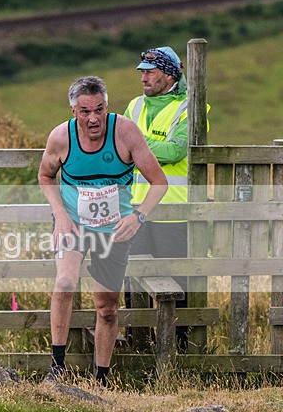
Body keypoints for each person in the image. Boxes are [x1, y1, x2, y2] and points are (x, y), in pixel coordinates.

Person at [37, 76, 167, 386]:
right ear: (73, 111)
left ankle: (102, 378)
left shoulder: (125, 132)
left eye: (99, 110)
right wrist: (60, 215)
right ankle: (57, 366)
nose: (93, 118)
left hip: (113, 230)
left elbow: (159, 183)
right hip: (74, 223)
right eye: (85, 111)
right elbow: (45, 176)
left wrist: (138, 217)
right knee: (66, 282)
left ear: (107, 107)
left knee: (107, 307)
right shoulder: (61, 138)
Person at [124, 46, 207, 352]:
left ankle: (180, 350)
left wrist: (135, 148)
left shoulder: (190, 108)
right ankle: (138, 348)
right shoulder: (134, 106)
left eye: (149, 71)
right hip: (136, 208)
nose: (143, 77)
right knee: (134, 279)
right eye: (141, 71)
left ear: (169, 74)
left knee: (178, 285)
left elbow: (177, 151)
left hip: (176, 211)